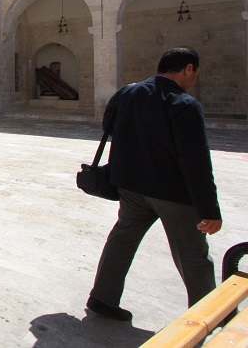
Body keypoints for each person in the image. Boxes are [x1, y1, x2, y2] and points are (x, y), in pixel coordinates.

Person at [87, 47, 221, 321]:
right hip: (173, 194)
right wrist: (209, 209)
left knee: (122, 240)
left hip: (131, 186)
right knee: (193, 256)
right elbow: (195, 161)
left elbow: (109, 126)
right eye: (194, 72)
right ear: (188, 69)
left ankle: (102, 297)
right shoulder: (184, 103)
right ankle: (207, 318)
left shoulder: (127, 93)